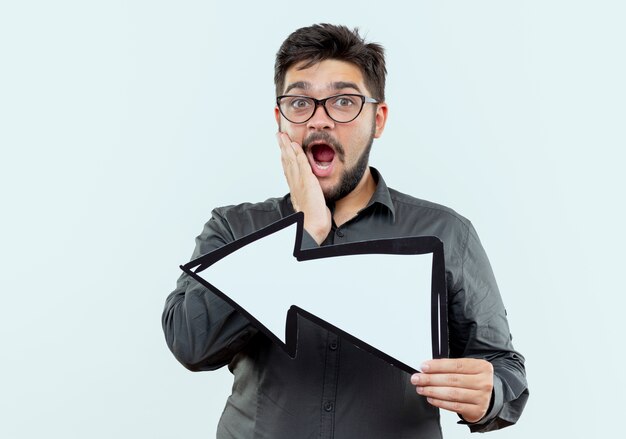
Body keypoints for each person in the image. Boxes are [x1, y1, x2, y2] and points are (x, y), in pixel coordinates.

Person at [162, 23, 528, 439]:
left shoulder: (446, 233)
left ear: (378, 119)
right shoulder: (233, 227)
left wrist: (489, 395)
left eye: (343, 101)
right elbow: (190, 343)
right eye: (300, 102)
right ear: (280, 120)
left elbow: (504, 368)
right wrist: (305, 232)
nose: (320, 120)